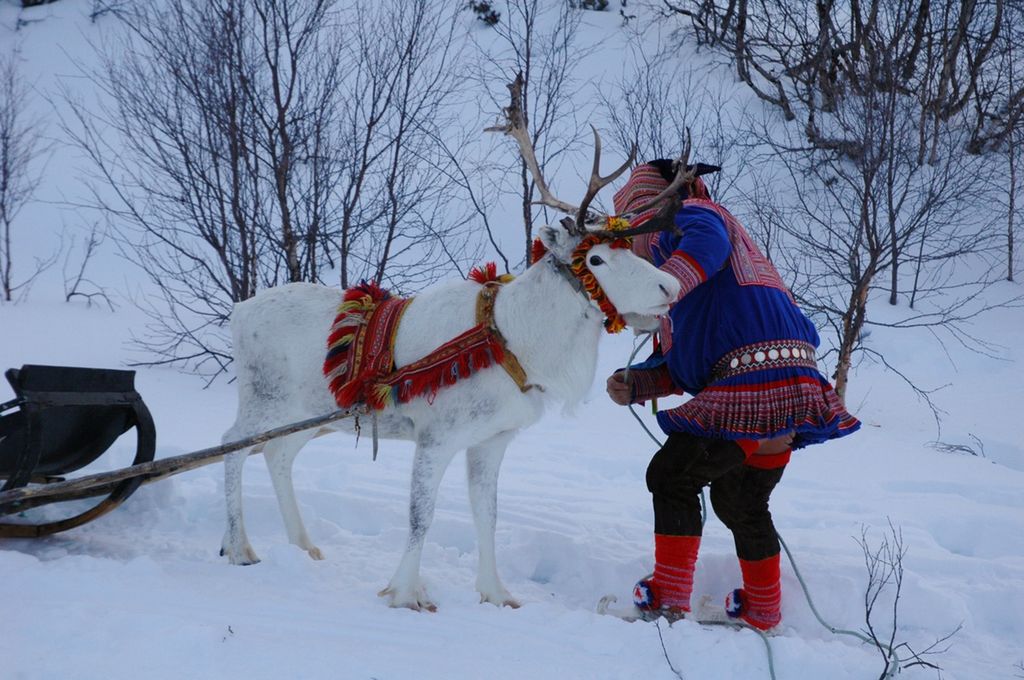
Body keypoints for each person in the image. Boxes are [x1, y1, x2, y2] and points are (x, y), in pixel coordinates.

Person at [606, 159, 860, 630]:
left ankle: (667, 599)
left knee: (671, 476)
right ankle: (762, 609)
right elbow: (689, 366)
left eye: (636, 217)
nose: (633, 237)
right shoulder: (696, 283)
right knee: (739, 501)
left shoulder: (691, 215)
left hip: (750, 389)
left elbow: (707, 241)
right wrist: (638, 383)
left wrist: (664, 283)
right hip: (792, 387)